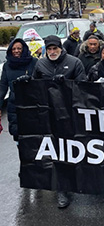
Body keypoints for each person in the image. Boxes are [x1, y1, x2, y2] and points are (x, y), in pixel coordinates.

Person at [32, 35, 86, 209]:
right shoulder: (40, 64)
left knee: (77, 149)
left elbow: (84, 85)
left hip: (71, 114)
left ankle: (83, 182)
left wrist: (67, 83)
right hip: (50, 115)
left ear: (61, 48)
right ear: (46, 50)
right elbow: (35, 85)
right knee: (57, 152)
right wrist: (26, 84)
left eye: (55, 48)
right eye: (49, 49)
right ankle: (62, 190)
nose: (52, 52)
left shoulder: (75, 62)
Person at [0, 39, 38, 141]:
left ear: (24, 49)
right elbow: (3, 86)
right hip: (14, 104)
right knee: (17, 135)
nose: (16, 51)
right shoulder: (7, 65)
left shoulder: (34, 62)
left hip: (31, 103)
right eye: (14, 49)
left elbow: (40, 82)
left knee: (33, 135)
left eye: (19, 48)